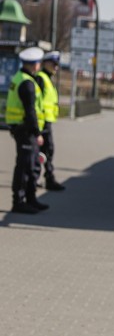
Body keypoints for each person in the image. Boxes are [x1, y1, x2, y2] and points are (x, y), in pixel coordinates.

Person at [6, 47, 48, 213]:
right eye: (38, 62)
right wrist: (37, 133)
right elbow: (30, 111)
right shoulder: (27, 83)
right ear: (34, 65)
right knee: (24, 166)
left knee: (31, 165)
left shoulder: (21, 77)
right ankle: (19, 201)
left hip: (21, 128)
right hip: (25, 129)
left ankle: (30, 198)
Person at [35, 50, 65, 191]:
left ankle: (46, 177)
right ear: (45, 63)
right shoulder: (41, 78)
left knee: (47, 150)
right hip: (41, 122)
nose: (56, 67)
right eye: (53, 64)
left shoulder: (48, 78)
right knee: (42, 151)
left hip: (47, 121)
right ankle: (39, 178)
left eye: (57, 65)